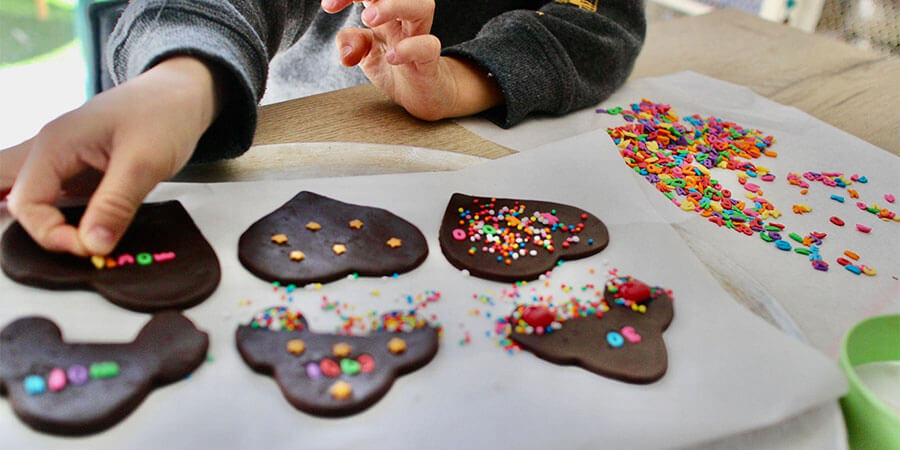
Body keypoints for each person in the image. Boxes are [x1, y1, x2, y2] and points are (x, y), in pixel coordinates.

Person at [0, 0, 645, 257]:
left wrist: (466, 80)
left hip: (493, 145)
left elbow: (599, 17)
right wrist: (184, 78)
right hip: (283, 150)